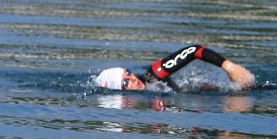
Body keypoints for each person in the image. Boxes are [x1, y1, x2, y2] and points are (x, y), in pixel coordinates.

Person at [95, 44, 255, 92]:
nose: (133, 79)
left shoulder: (154, 75)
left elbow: (194, 50)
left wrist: (230, 68)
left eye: (128, 73)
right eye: (125, 83)